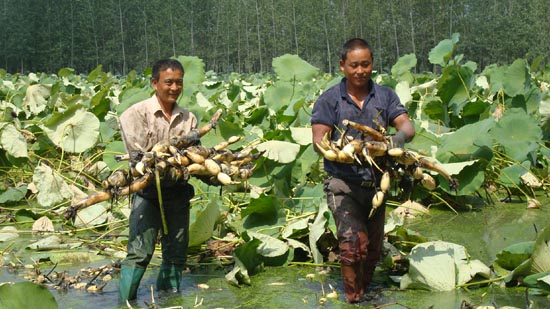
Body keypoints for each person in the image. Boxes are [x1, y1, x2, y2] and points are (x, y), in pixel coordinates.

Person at [311, 38, 415, 303]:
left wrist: (399, 138)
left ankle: (365, 294)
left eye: (365, 65)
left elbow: (406, 126)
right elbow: (318, 139)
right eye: (354, 65)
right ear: (342, 66)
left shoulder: (385, 96)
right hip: (342, 184)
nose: (360, 71)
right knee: (351, 246)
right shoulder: (330, 100)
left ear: (372, 64)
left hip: (377, 182)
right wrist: (342, 150)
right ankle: (352, 299)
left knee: (371, 250)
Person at [118, 58, 199, 302]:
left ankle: (170, 301)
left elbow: (193, 155)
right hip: (148, 192)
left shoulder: (189, 119)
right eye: (168, 82)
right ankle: (125, 303)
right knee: (139, 253)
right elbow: (138, 158)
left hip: (178, 193)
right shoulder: (135, 114)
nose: (174, 88)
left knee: (176, 254)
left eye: (179, 83)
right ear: (155, 83)